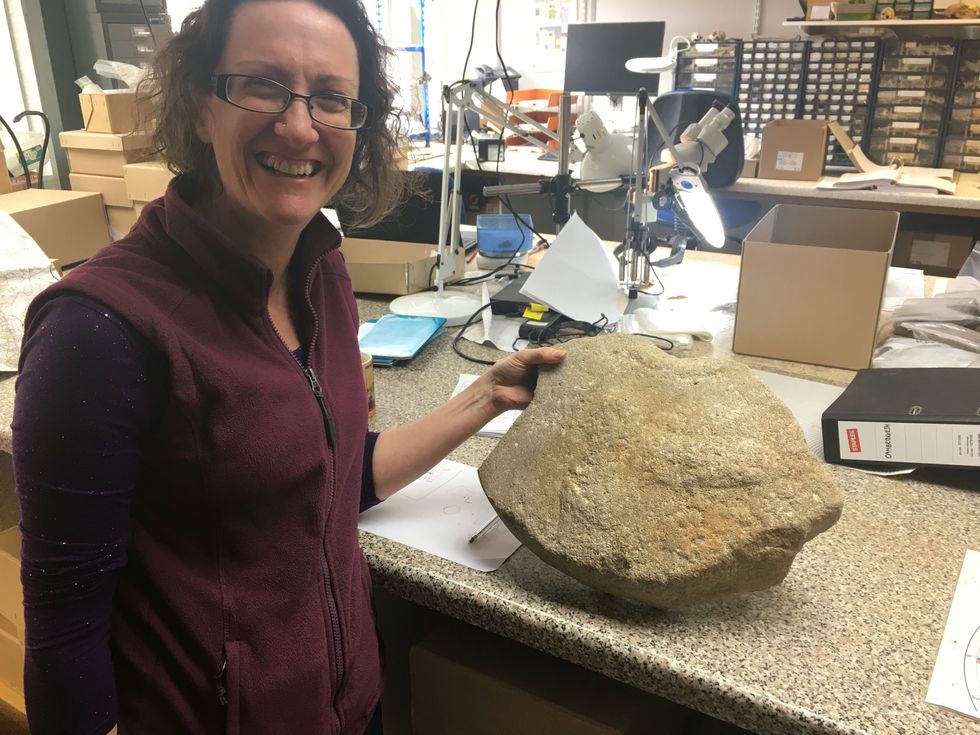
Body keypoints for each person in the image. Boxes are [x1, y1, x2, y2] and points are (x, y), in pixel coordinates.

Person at [11, 1, 565, 733]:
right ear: (200, 106)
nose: (301, 128)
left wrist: (487, 395)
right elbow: (65, 634)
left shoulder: (321, 272)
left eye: (331, 97)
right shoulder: (98, 329)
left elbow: (331, 477)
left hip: (349, 706)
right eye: (263, 85)